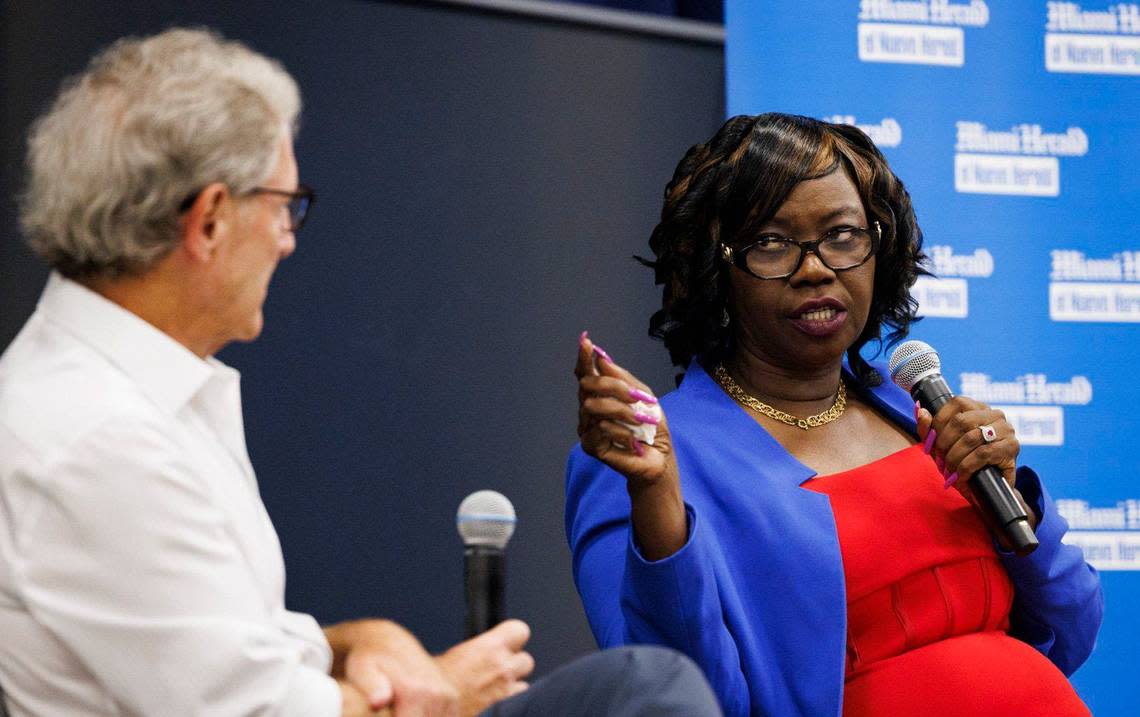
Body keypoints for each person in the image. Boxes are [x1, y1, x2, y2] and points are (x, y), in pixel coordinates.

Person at [0, 28, 723, 717]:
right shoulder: (98, 439)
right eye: (286, 206)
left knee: (640, 686)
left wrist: (357, 641)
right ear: (211, 219)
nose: (288, 240)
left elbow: (220, 650)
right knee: (649, 689)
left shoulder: (130, 393)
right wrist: (440, 694)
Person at [567, 113, 1104, 717]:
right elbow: (671, 698)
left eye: (843, 235)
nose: (815, 268)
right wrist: (660, 501)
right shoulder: (649, 459)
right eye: (770, 243)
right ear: (717, 271)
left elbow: (1074, 628)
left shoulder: (919, 413)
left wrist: (1013, 499)